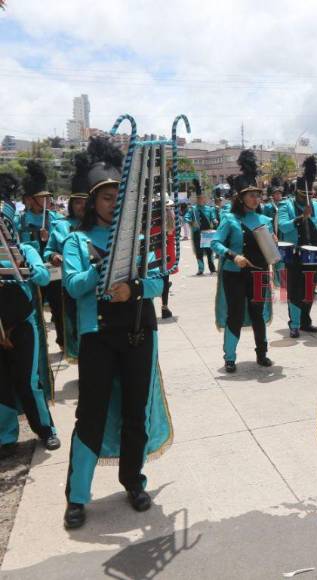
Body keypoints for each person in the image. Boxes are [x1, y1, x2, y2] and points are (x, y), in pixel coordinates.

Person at [62, 136, 173, 529]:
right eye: (107, 198)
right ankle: (77, 496)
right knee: (89, 415)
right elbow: (73, 286)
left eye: (118, 196)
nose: (114, 203)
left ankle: (134, 481)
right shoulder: (76, 240)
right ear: (92, 202)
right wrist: (103, 269)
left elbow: (161, 281)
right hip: (98, 336)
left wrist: (136, 288)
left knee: (134, 414)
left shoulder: (142, 241)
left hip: (139, 334)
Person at [0, 176, 60, 459]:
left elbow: (44, 275)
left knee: (28, 381)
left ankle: (46, 429)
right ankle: (6, 437)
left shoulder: (26, 250)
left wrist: (25, 268)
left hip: (22, 325)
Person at [211, 150, 273, 373]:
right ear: (241, 197)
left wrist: (274, 246)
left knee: (258, 312)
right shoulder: (229, 218)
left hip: (259, 273)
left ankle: (262, 354)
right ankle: (229, 357)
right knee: (235, 314)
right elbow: (215, 244)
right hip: (234, 273)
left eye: (258, 195)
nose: (257, 199)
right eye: (252, 195)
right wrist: (233, 256)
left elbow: (271, 250)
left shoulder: (265, 219)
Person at [44, 153, 89, 360]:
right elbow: (48, 250)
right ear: (71, 203)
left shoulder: (97, 226)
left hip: (91, 285)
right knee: (71, 324)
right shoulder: (60, 225)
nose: (81, 206)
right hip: (68, 285)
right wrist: (53, 256)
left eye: (85, 202)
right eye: (77, 202)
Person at [277, 157, 317, 339]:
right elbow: (283, 226)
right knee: (295, 290)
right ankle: (295, 324)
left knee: (309, 290)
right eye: (303, 194)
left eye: (310, 194)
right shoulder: (285, 205)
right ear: (297, 192)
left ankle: (305, 321)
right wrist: (301, 218)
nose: (307, 197)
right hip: (294, 254)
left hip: (313, 255)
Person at [19, 161, 66, 347]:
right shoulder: (20, 220)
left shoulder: (57, 219)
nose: (47, 200)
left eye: (48, 197)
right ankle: (40, 345)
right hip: (33, 273)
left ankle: (63, 341)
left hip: (54, 271)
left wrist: (49, 241)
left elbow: (64, 243)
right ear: (30, 199)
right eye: (42, 197)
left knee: (59, 308)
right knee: (34, 311)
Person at [184, 179, 218, 275]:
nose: (201, 200)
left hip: (208, 233)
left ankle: (212, 268)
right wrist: (191, 222)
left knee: (209, 252)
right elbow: (186, 218)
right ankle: (201, 269)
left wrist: (215, 221)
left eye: (202, 198)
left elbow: (213, 218)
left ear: (205, 199)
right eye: (199, 198)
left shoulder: (210, 209)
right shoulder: (192, 209)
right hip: (197, 233)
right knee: (199, 252)